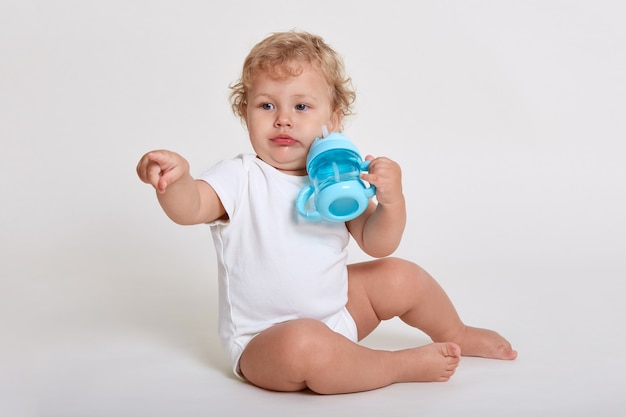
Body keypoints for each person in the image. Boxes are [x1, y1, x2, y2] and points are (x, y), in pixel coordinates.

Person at [136, 30, 517, 395]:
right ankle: (393, 366)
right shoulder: (240, 176)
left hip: (337, 316)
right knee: (305, 342)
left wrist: (392, 200)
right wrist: (177, 180)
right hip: (268, 344)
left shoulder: (335, 180)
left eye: (301, 106)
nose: (283, 118)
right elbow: (192, 208)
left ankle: (458, 333)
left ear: (332, 121)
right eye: (267, 105)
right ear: (245, 112)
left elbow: (378, 243)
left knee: (401, 276)